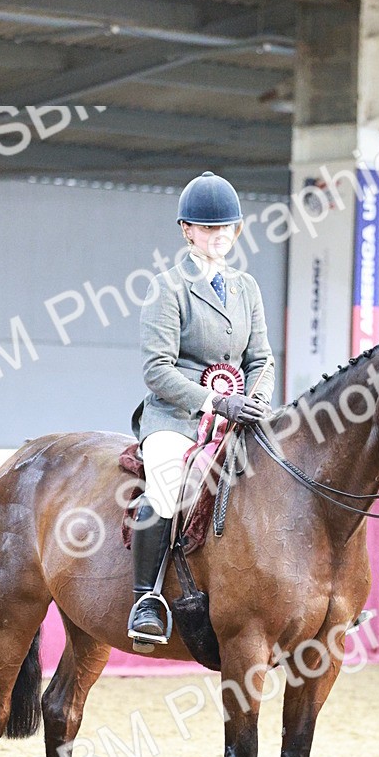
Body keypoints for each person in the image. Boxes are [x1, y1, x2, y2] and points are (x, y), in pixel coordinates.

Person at [128, 170, 275, 645]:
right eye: (207, 228)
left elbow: (261, 358)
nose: (217, 237)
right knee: (167, 488)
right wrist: (216, 400)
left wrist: (254, 400)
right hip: (177, 418)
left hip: (237, 416)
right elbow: (157, 369)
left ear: (236, 231)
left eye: (225, 228)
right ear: (187, 231)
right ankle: (145, 598)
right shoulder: (167, 287)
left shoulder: (246, 288)